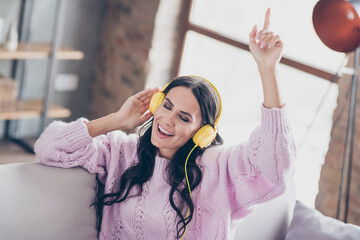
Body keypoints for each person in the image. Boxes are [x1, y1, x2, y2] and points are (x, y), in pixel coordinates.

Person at [34, 8, 296, 240]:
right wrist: (117, 119)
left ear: (203, 133)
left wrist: (267, 69)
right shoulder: (121, 152)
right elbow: (49, 147)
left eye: (184, 118)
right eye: (167, 106)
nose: (167, 121)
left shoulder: (220, 168)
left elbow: (275, 169)